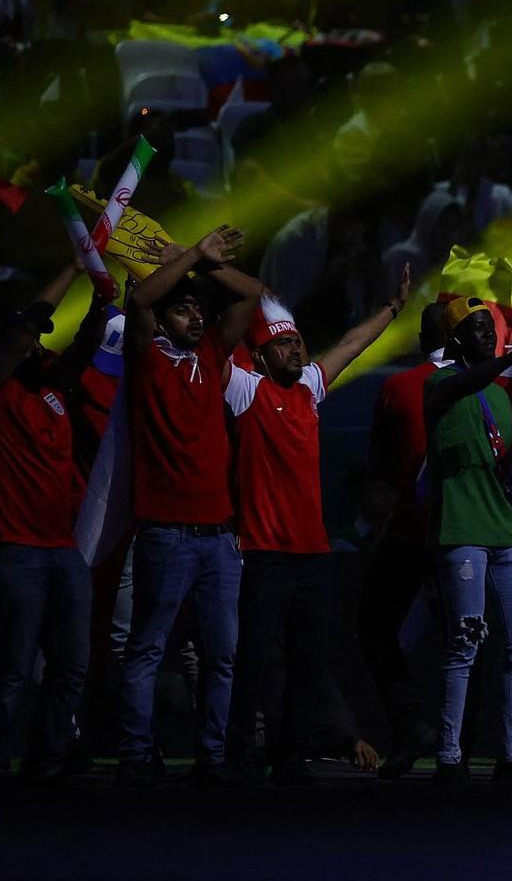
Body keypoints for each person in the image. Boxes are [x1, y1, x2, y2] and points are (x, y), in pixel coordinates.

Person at [225, 271, 410, 784]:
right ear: (260, 355)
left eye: (298, 342)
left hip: (312, 555)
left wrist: (392, 308)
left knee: (309, 663)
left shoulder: (309, 386)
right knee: (257, 660)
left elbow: (351, 344)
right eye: (283, 344)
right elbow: (222, 341)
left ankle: (291, 755)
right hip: (262, 552)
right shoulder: (244, 389)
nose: (296, 350)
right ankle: (239, 754)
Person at [115, 225, 265, 787]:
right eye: (184, 311)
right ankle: (134, 756)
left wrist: (200, 265)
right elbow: (142, 298)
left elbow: (251, 293)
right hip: (166, 533)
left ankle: (213, 755)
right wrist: (191, 258)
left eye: (198, 310)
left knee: (222, 657)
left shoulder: (212, 350)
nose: (195, 317)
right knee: (149, 649)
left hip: (219, 536)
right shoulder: (147, 355)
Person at [0, 263, 112, 783]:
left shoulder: (51, 386)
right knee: (12, 661)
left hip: (59, 547)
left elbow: (79, 352)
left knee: (72, 662)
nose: (36, 347)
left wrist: (99, 307)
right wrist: (73, 268)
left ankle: (48, 753)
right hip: (11, 547)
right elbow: (25, 331)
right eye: (28, 341)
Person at [423, 296, 512, 785]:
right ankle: (448, 754)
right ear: (455, 338)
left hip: (506, 534)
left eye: (490, 328)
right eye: (476, 329)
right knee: (465, 643)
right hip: (461, 532)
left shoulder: (500, 395)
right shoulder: (441, 385)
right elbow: (464, 382)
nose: (486, 335)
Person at [365, 301, 452, 779]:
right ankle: (453, 742)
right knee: (465, 639)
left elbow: (379, 470)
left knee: (376, 629)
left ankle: (413, 725)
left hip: (410, 531)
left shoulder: (398, 385)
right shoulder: (492, 386)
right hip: (464, 535)